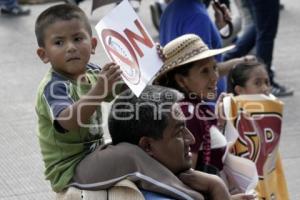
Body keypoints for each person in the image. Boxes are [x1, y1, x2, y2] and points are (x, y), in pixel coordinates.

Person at [153, 34, 256, 199]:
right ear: (181, 80)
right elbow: (187, 181)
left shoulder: (194, 108)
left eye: (214, 68)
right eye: (204, 71)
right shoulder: (187, 114)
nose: (215, 77)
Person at [34, 4, 122, 193]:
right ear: (44, 54)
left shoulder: (93, 72)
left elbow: (126, 87)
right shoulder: (54, 86)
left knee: (134, 144)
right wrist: (99, 90)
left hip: (94, 155)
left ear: (92, 45)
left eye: (77, 38)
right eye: (59, 43)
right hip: (69, 169)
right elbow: (67, 121)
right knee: (130, 155)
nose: (71, 48)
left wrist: (148, 65)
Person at [159, 0, 249, 98]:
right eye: (206, 71)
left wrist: (217, 28)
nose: (215, 77)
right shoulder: (197, 16)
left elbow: (189, 51)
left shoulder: (171, 9)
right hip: (205, 102)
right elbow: (201, 66)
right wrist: (241, 62)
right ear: (181, 80)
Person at [227, 60, 290, 199]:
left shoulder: (268, 116)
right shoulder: (230, 115)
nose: (264, 88)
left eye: (267, 82)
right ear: (239, 90)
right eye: (257, 83)